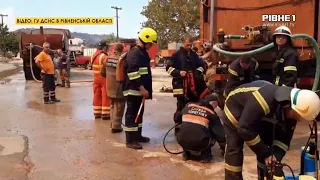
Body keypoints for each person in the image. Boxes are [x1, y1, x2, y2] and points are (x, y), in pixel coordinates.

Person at [222, 80, 320, 180]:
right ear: (293, 108)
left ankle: (263, 177)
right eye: (299, 117)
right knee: (235, 149)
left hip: (258, 116)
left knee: (267, 146)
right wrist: (266, 153)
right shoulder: (265, 100)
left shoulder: (293, 111)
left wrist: (275, 157)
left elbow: (284, 141)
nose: (299, 121)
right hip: (235, 110)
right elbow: (244, 129)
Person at [166, 35, 209, 134]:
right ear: (183, 43)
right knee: (181, 104)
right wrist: (179, 72)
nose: (189, 47)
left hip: (193, 84)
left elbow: (202, 65)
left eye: (190, 45)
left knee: (193, 104)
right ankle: (178, 125)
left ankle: (190, 125)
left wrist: (197, 72)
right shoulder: (176, 55)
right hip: (180, 84)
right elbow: (169, 68)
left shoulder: (194, 55)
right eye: (187, 45)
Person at [123, 27, 157, 149]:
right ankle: (130, 140)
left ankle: (137, 136)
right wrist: (142, 88)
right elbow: (132, 72)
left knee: (139, 112)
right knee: (132, 113)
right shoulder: (134, 53)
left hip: (140, 89)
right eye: (150, 43)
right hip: (133, 89)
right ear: (145, 39)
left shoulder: (143, 53)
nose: (151, 46)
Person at [176, 94, 226, 163]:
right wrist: (224, 148)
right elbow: (220, 135)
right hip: (200, 144)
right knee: (213, 130)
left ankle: (186, 153)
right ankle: (205, 156)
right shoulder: (212, 114)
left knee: (185, 128)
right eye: (216, 105)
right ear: (214, 103)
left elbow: (177, 119)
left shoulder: (189, 105)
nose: (216, 107)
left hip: (181, 141)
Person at [101, 43, 125, 133]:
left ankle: (112, 124)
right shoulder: (121, 60)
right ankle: (116, 127)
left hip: (109, 87)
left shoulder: (106, 59)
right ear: (121, 50)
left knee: (112, 105)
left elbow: (102, 72)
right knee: (119, 106)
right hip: (119, 87)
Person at [91, 40, 110, 120]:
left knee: (97, 95)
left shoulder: (93, 55)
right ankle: (105, 114)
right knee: (105, 95)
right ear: (104, 47)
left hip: (95, 78)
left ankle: (97, 113)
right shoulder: (104, 56)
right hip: (103, 78)